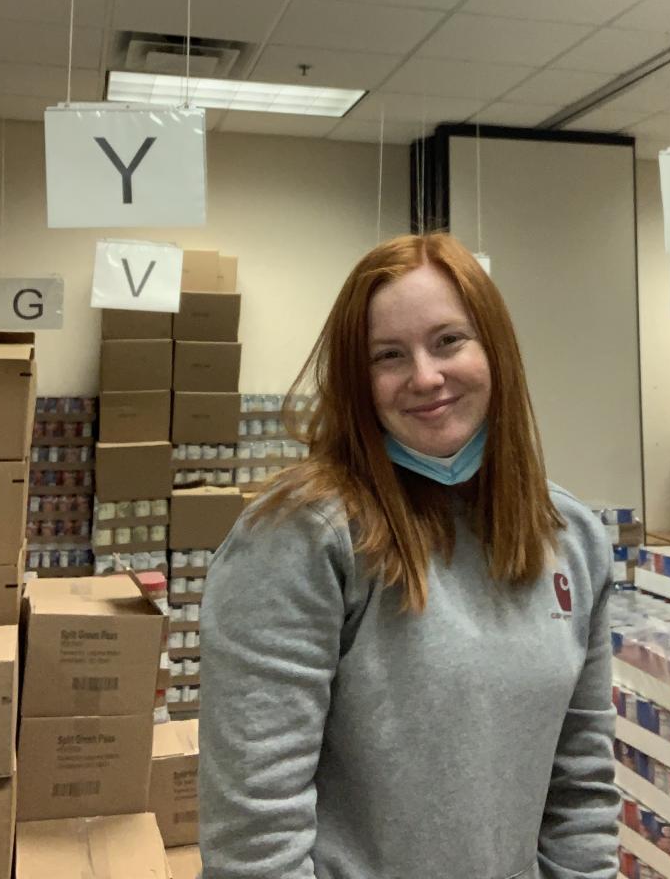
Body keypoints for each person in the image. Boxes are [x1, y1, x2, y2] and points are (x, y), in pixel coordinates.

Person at [199, 232, 620, 879]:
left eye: (448, 341)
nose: (425, 376)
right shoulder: (300, 537)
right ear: (358, 382)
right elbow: (255, 834)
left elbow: (581, 787)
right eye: (389, 356)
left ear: (495, 350)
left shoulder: (572, 539)